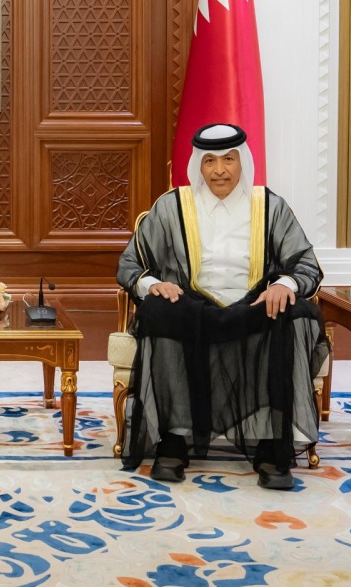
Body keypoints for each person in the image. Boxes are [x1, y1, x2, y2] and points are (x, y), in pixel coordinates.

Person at [116, 123, 328, 490]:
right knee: (156, 310)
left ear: (242, 161)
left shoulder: (270, 207)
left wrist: (284, 284)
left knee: (292, 313)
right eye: (210, 161)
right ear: (198, 164)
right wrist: (154, 284)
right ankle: (174, 440)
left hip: (253, 309)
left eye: (229, 159)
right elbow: (129, 266)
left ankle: (270, 447)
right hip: (192, 310)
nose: (219, 170)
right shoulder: (172, 208)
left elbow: (307, 266)